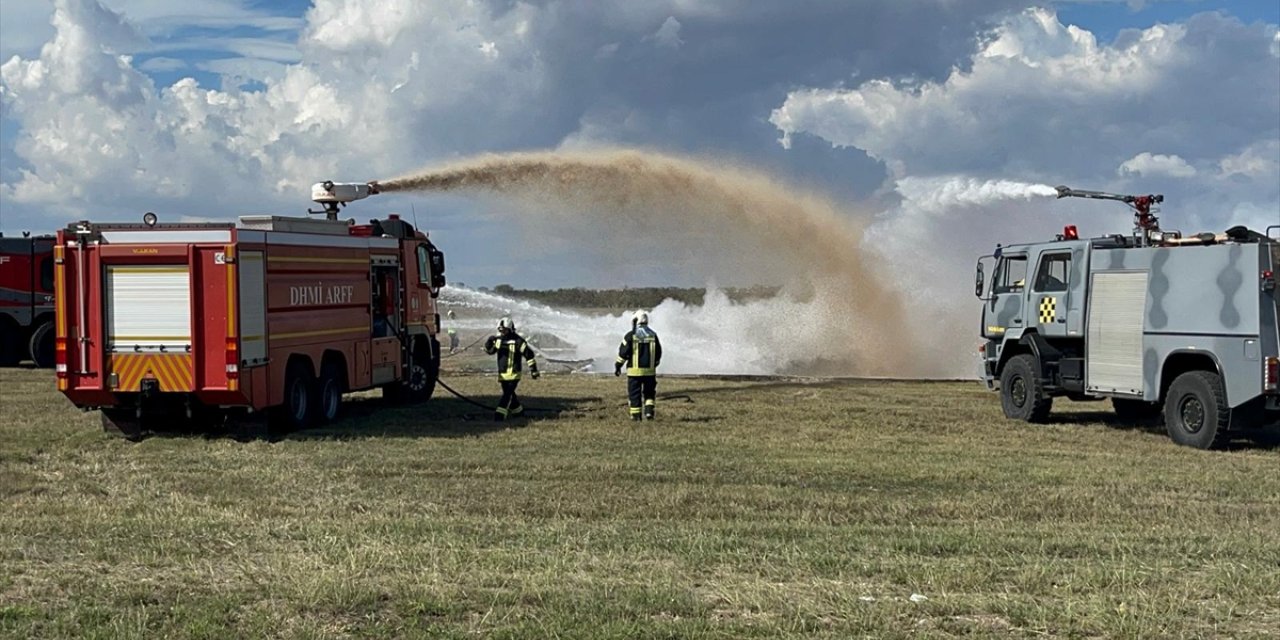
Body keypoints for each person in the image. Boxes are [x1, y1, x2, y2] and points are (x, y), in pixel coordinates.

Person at [484, 317, 539, 421]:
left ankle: (499, 416)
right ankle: (519, 412)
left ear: (510, 329)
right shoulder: (499, 340)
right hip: (503, 374)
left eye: (504, 330)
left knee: (507, 395)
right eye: (500, 330)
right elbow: (491, 351)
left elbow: (529, 355)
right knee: (510, 395)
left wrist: (534, 370)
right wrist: (489, 342)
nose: (502, 332)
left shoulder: (518, 341)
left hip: (514, 373)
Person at [615, 310, 662, 421]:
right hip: (650, 372)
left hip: (634, 373)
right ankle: (649, 412)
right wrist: (654, 364)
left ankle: (636, 416)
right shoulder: (653, 335)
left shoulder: (631, 336)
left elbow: (623, 352)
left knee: (635, 394)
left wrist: (618, 365)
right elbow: (658, 352)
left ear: (635, 320)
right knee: (649, 393)